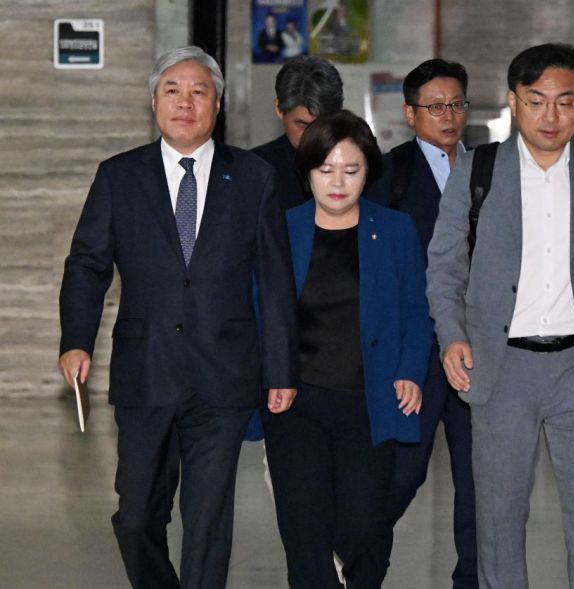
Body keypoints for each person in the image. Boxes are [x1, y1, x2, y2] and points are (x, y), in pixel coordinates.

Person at [57, 46, 299, 588]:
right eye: (173, 90)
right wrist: (76, 341)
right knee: (136, 515)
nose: (185, 103)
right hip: (146, 371)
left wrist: (281, 370)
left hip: (225, 375)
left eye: (198, 92)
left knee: (208, 521)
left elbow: (275, 280)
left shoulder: (254, 177)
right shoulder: (119, 176)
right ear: (153, 102)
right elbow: (88, 264)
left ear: (218, 104)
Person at [427, 43, 574, 588]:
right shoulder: (477, 170)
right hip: (500, 366)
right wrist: (452, 336)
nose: (551, 115)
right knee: (499, 517)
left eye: (565, 102)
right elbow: (445, 266)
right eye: (537, 100)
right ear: (514, 101)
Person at [262, 110, 433, 589]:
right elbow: (261, 311)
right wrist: (268, 375)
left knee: (363, 527)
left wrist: (409, 371)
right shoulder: (281, 229)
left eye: (351, 170)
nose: (338, 183)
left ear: (367, 172)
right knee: (305, 532)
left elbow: (416, 309)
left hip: (369, 402)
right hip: (296, 404)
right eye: (326, 169)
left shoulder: (394, 229)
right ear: (307, 172)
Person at [365, 58, 477, 588]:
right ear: (410, 114)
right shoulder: (388, 175)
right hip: (415, 351)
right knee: (402, 474)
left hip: (478, 350)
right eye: (435, 107)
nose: (448, 116)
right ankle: (358, 563)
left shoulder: (490, 170)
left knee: (479, 482)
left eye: (456, 104)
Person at [252, 55, 344, 212]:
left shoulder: (359, 163)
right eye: (302, 124)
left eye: (321, 123)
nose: (311, 134)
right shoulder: (256, 169)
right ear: (279, 109)